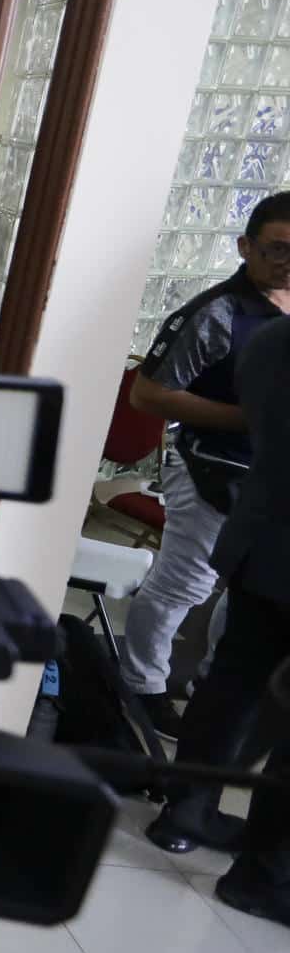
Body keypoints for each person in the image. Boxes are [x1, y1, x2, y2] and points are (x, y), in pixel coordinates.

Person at [120, 192, 290, 738]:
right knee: (185, 585)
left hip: (272, 481)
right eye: (277, 250)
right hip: (210, 467)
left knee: (250, 591)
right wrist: (248, 418)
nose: (287, 263)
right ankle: (141, 685)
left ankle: (212, 691)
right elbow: (147, 395)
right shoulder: (216, 313)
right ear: (246, 246)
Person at [144, 315, 290, 876]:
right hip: (274, 538)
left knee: (234, 684)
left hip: (264, 536)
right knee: (236, 687)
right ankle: (259, 865)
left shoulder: (274, 337)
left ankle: (192, 812)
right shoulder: (256, 330)